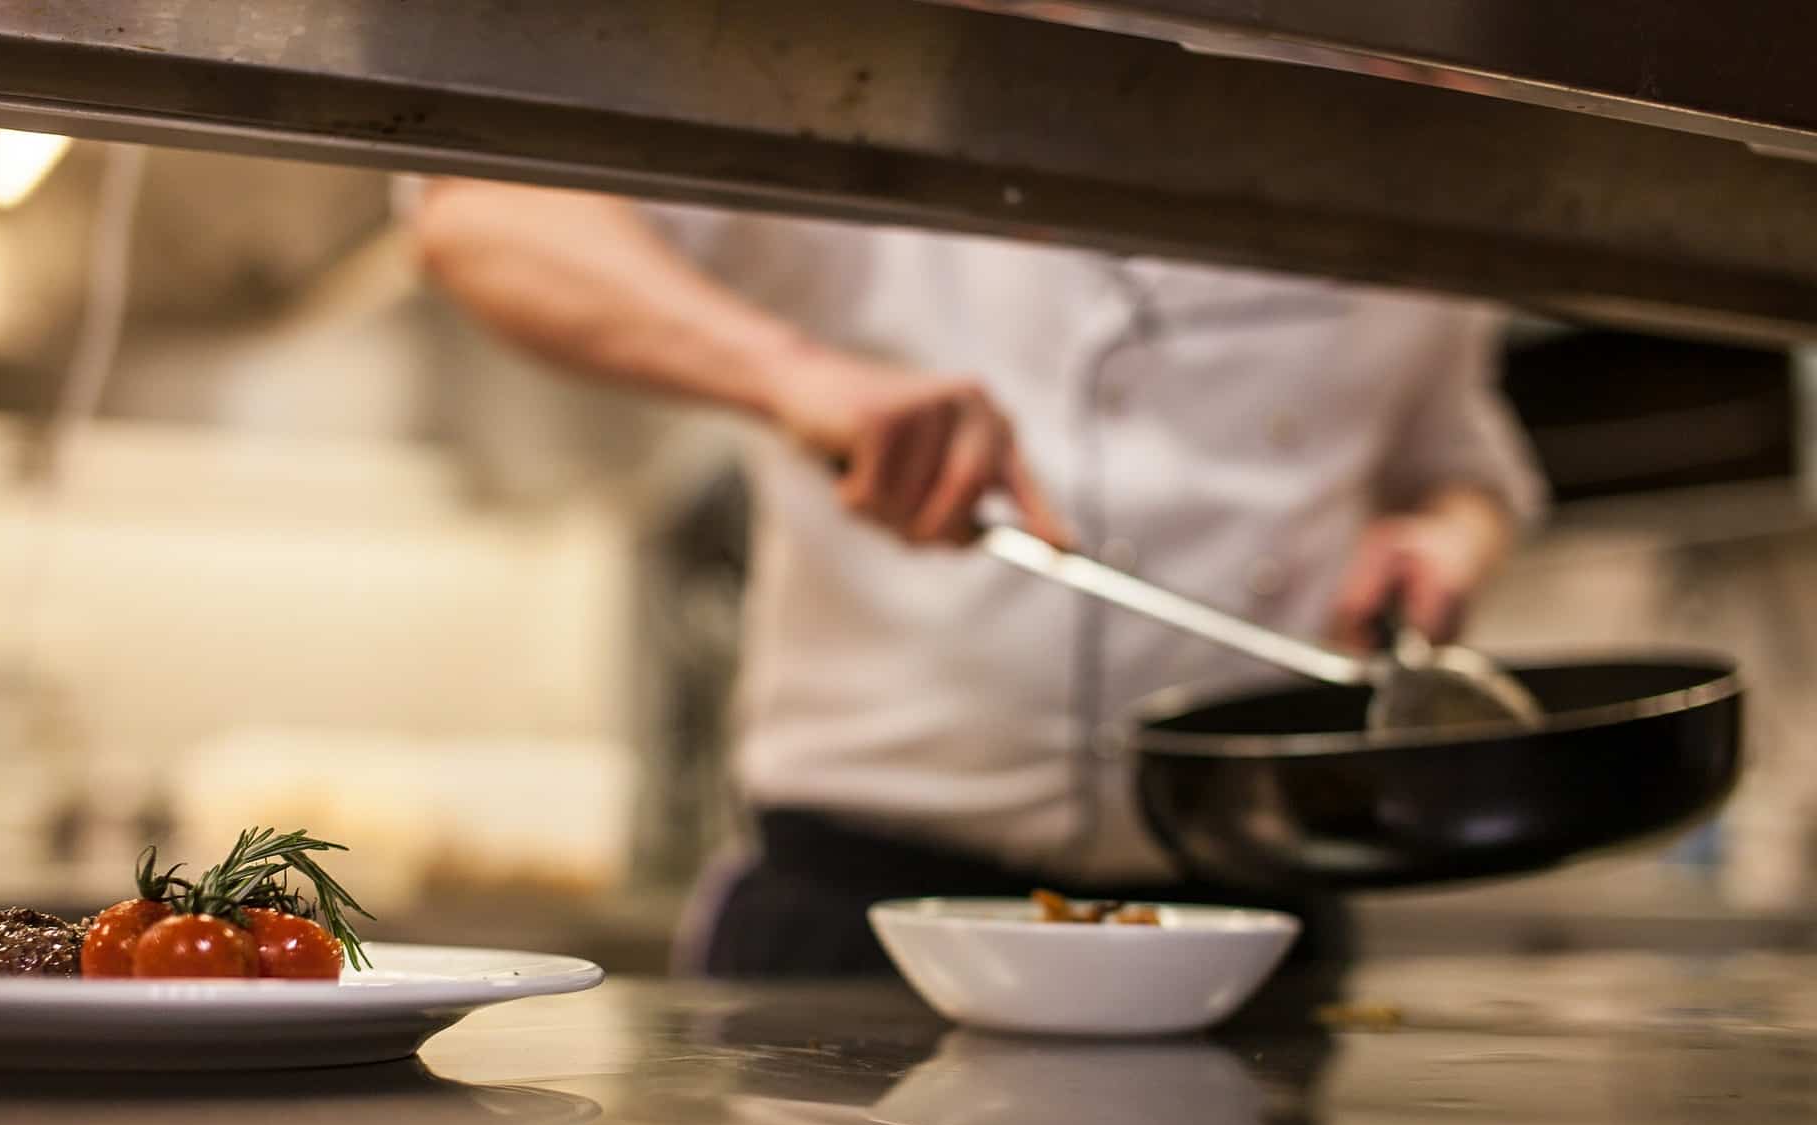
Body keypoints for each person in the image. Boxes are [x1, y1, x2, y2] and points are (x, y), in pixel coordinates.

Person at [408, 181, 1546, 976]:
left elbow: (1460, 466)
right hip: (866, 916)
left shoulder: (1394, 132)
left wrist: (1445, 539)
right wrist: (796, 375)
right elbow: (484, 215)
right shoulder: (878, 61)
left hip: (1262, 923)